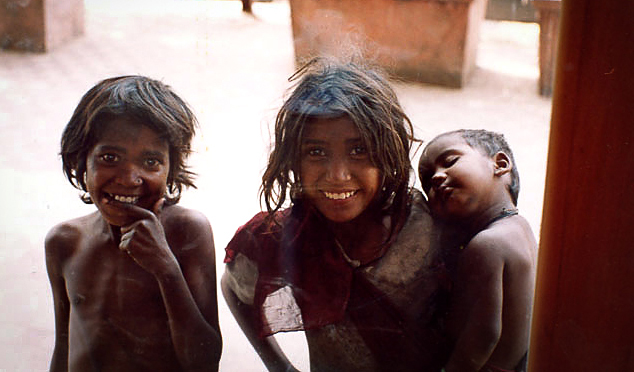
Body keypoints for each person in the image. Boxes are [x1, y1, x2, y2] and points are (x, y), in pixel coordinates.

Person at [221, 58, 450, 372]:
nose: (338, 175)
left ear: (389, 152)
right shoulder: (284, 236)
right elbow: (233, 288)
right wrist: (279, 366)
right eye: (316, 152)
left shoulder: (424, 225)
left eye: (359, 150)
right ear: (293, 160)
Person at [45, 76, 222, 372]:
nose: (129, 179)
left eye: (151, 162)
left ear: (171, 169)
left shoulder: (187, 232)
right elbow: (63, 347)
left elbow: (204, 363)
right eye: (109, 157)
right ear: (81, 162)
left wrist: (166, 268)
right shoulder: (64, 242)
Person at [418, 129, 537, 372]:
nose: (437, 177)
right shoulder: (520, 229)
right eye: (428, 179)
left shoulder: (487, 244)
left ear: (500, 165)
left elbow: (484, 334)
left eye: (450, 161)